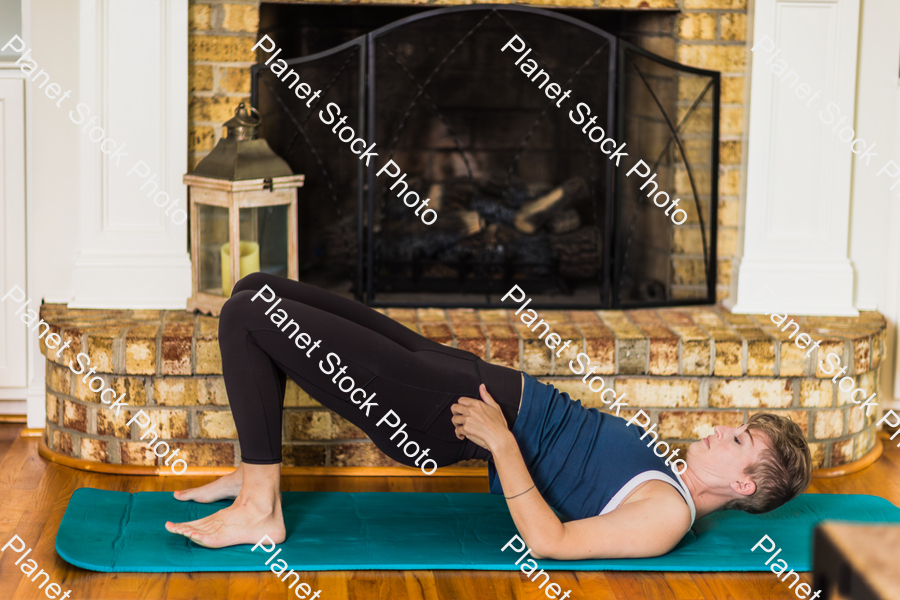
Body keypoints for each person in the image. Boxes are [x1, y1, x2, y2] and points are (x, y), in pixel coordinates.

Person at [166, 273, 812, 559]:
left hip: (445, 412)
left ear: (745, 484)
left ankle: (261, 508)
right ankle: (255, 477)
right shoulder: (671, 480)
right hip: (467, 381)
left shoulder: (666, 518)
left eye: (737, 439)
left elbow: (550, 545)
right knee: (262, 288)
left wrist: (502, 443)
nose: (717, 429)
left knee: (248, 316)